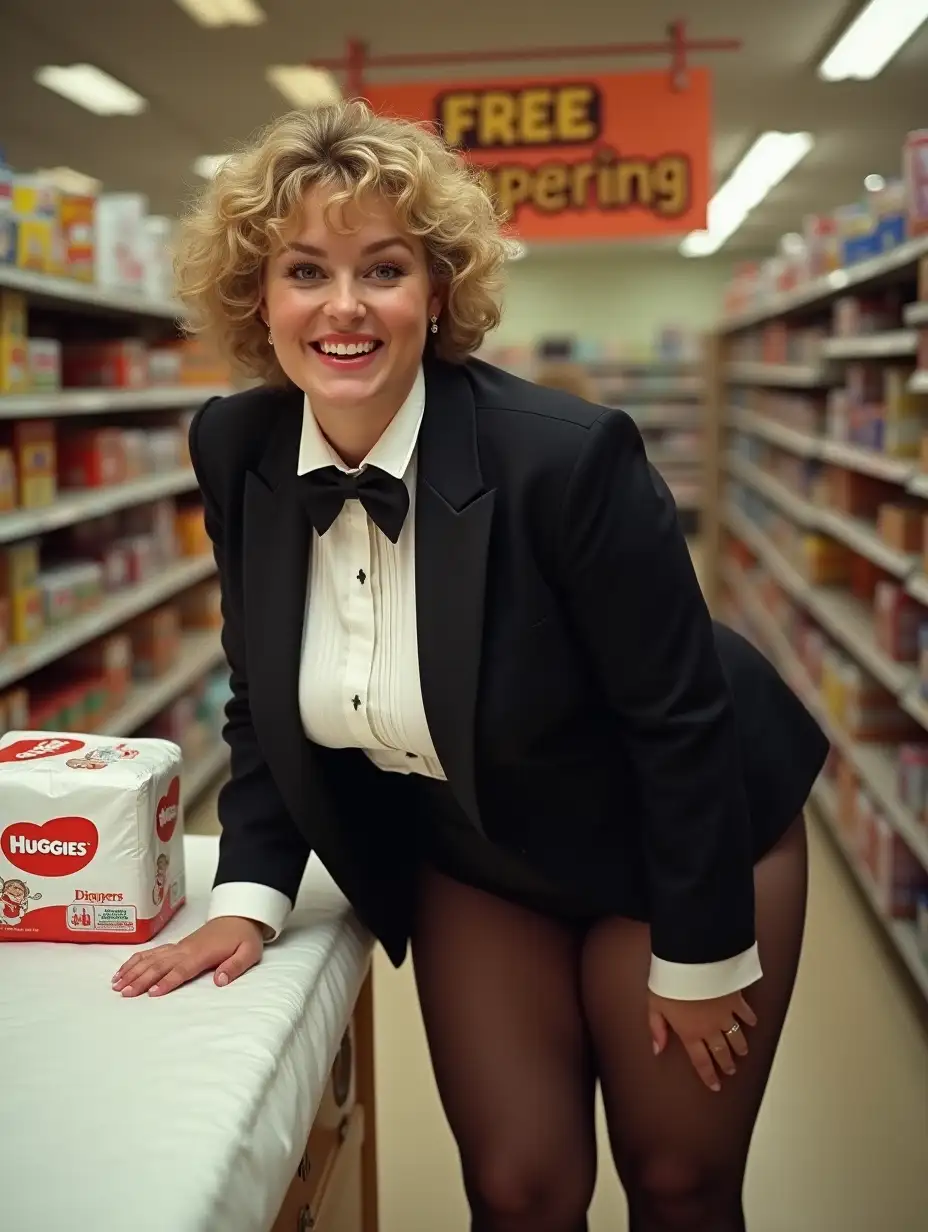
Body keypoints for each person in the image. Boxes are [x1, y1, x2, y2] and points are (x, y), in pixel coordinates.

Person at [112, 100, 828, 1232]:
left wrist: (701, 952)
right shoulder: (235, 446)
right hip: (476, 842)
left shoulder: (565, 458)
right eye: (305, 269)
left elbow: (678, 718)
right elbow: (261, 697)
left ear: (436, 291)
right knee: (516, 1186)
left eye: (382, 268)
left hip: (674, 832)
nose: (343, 306)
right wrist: (250, 897)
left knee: (680, 1177)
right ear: (260, 295)